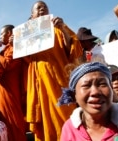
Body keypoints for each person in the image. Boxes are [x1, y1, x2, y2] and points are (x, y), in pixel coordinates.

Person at [25, 1, 83, 140]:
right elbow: (24, 57)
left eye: (45, 7)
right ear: (32, 15)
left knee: (66, 112)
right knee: (47, 119)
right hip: (41, 81)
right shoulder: (28, 34)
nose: (42, 9)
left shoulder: (58, 26)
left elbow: (74, 49)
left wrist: (62, 29)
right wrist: (16, 42)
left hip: (60, 77)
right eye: (38, 8)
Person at [58, 62, 118, 141]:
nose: (95, 92)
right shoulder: (70, 128)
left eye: (102, 84)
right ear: (74, 95)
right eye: (86, 85)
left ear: (111, 90)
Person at [0, 24, 27, 141]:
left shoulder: (16, 47)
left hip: (10, 91)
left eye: (1, 33)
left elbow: (7, 64)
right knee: (2, 119)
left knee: (12, 120)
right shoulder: (5, 50)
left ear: (9, 33)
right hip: (1, 91)